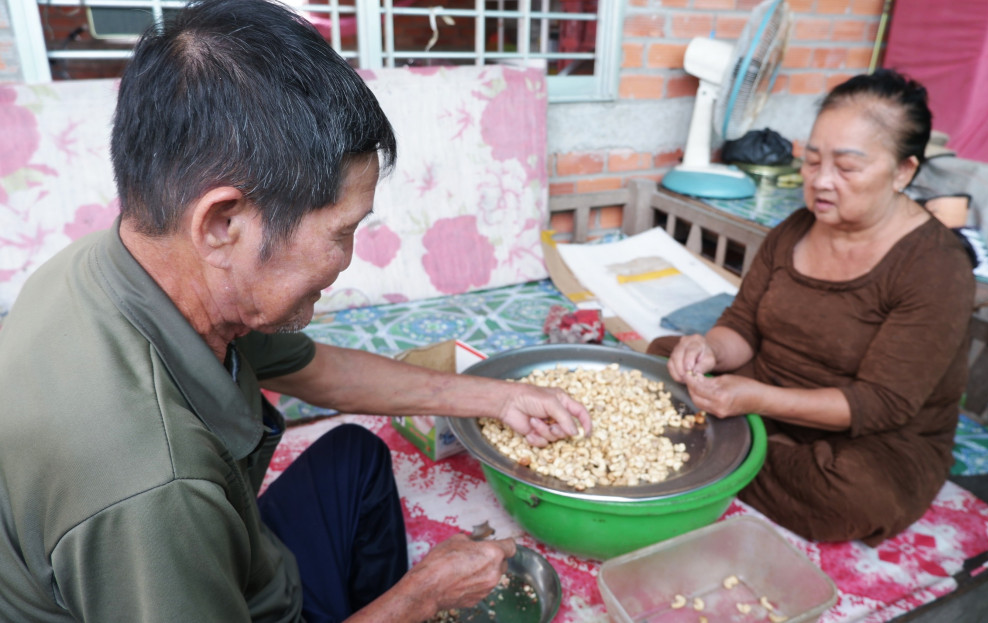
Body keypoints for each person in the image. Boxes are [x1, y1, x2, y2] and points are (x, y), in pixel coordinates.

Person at [0, 1, 591, 621]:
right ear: (223, 223)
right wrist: (421, 598)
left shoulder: (132, 262)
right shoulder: (151, 486)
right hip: (211, 583)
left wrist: (496, 398)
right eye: (340, 232)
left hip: (246, 563)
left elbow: (317, 371)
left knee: (356, 460)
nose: (348, 261)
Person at [651, 69, 976, 546]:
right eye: (812, 161)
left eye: (846, 168)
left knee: (853, 499)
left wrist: (754, 400)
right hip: (767, 388)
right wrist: (710, 352)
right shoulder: (796, 229)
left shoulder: (935, 267)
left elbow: (879, 404)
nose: (821, 181)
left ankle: (727, 447)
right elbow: (743, 326)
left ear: (904, 171)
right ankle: (743, 445)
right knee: (666, 357)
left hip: (870, 437)